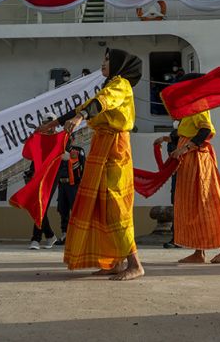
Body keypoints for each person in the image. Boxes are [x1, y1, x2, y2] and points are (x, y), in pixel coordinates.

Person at [39, 48, 145, 280]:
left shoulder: (121, 84)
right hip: (102, 147)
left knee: (115, 205)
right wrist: (56, 122)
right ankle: (116, 262)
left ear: (118, 64)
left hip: (114, 148)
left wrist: (80, 118)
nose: (102, 63)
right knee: (102, 206)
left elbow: (101, 103)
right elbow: (85, 106)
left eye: (107, 59)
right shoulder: (109, 85)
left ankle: (135, 264)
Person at [167, 74, 220, 264]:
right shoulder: (190, 106)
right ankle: (199, 252)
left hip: (197, 159)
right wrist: (168, 140)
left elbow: (205, 130)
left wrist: (184, 148)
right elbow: (187, 130)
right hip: (189, 159)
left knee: (206, 203)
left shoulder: (199, 103)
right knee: (194, 205)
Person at [24, 113, 59, 250]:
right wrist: (34, 136)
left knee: (41, 205)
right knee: (37, 204)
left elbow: (65, 155)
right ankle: (49, 235)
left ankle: (36, 238)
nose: (49, 128)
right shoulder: (38, 137)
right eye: (45, 124)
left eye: (51, 125)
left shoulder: (60, 137)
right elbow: (29, 152)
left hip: (52, 175)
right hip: (37, 174)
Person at [55, 137, 85, 245]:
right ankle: (65, 235)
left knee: (76, 211)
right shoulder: (57, 152)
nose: (65, 140)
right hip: (62, 185)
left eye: (68, 138)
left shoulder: (78, 151)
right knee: (63, 210)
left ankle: (78, 236)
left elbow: (84, 168)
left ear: (72, 139)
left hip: (74, 186)